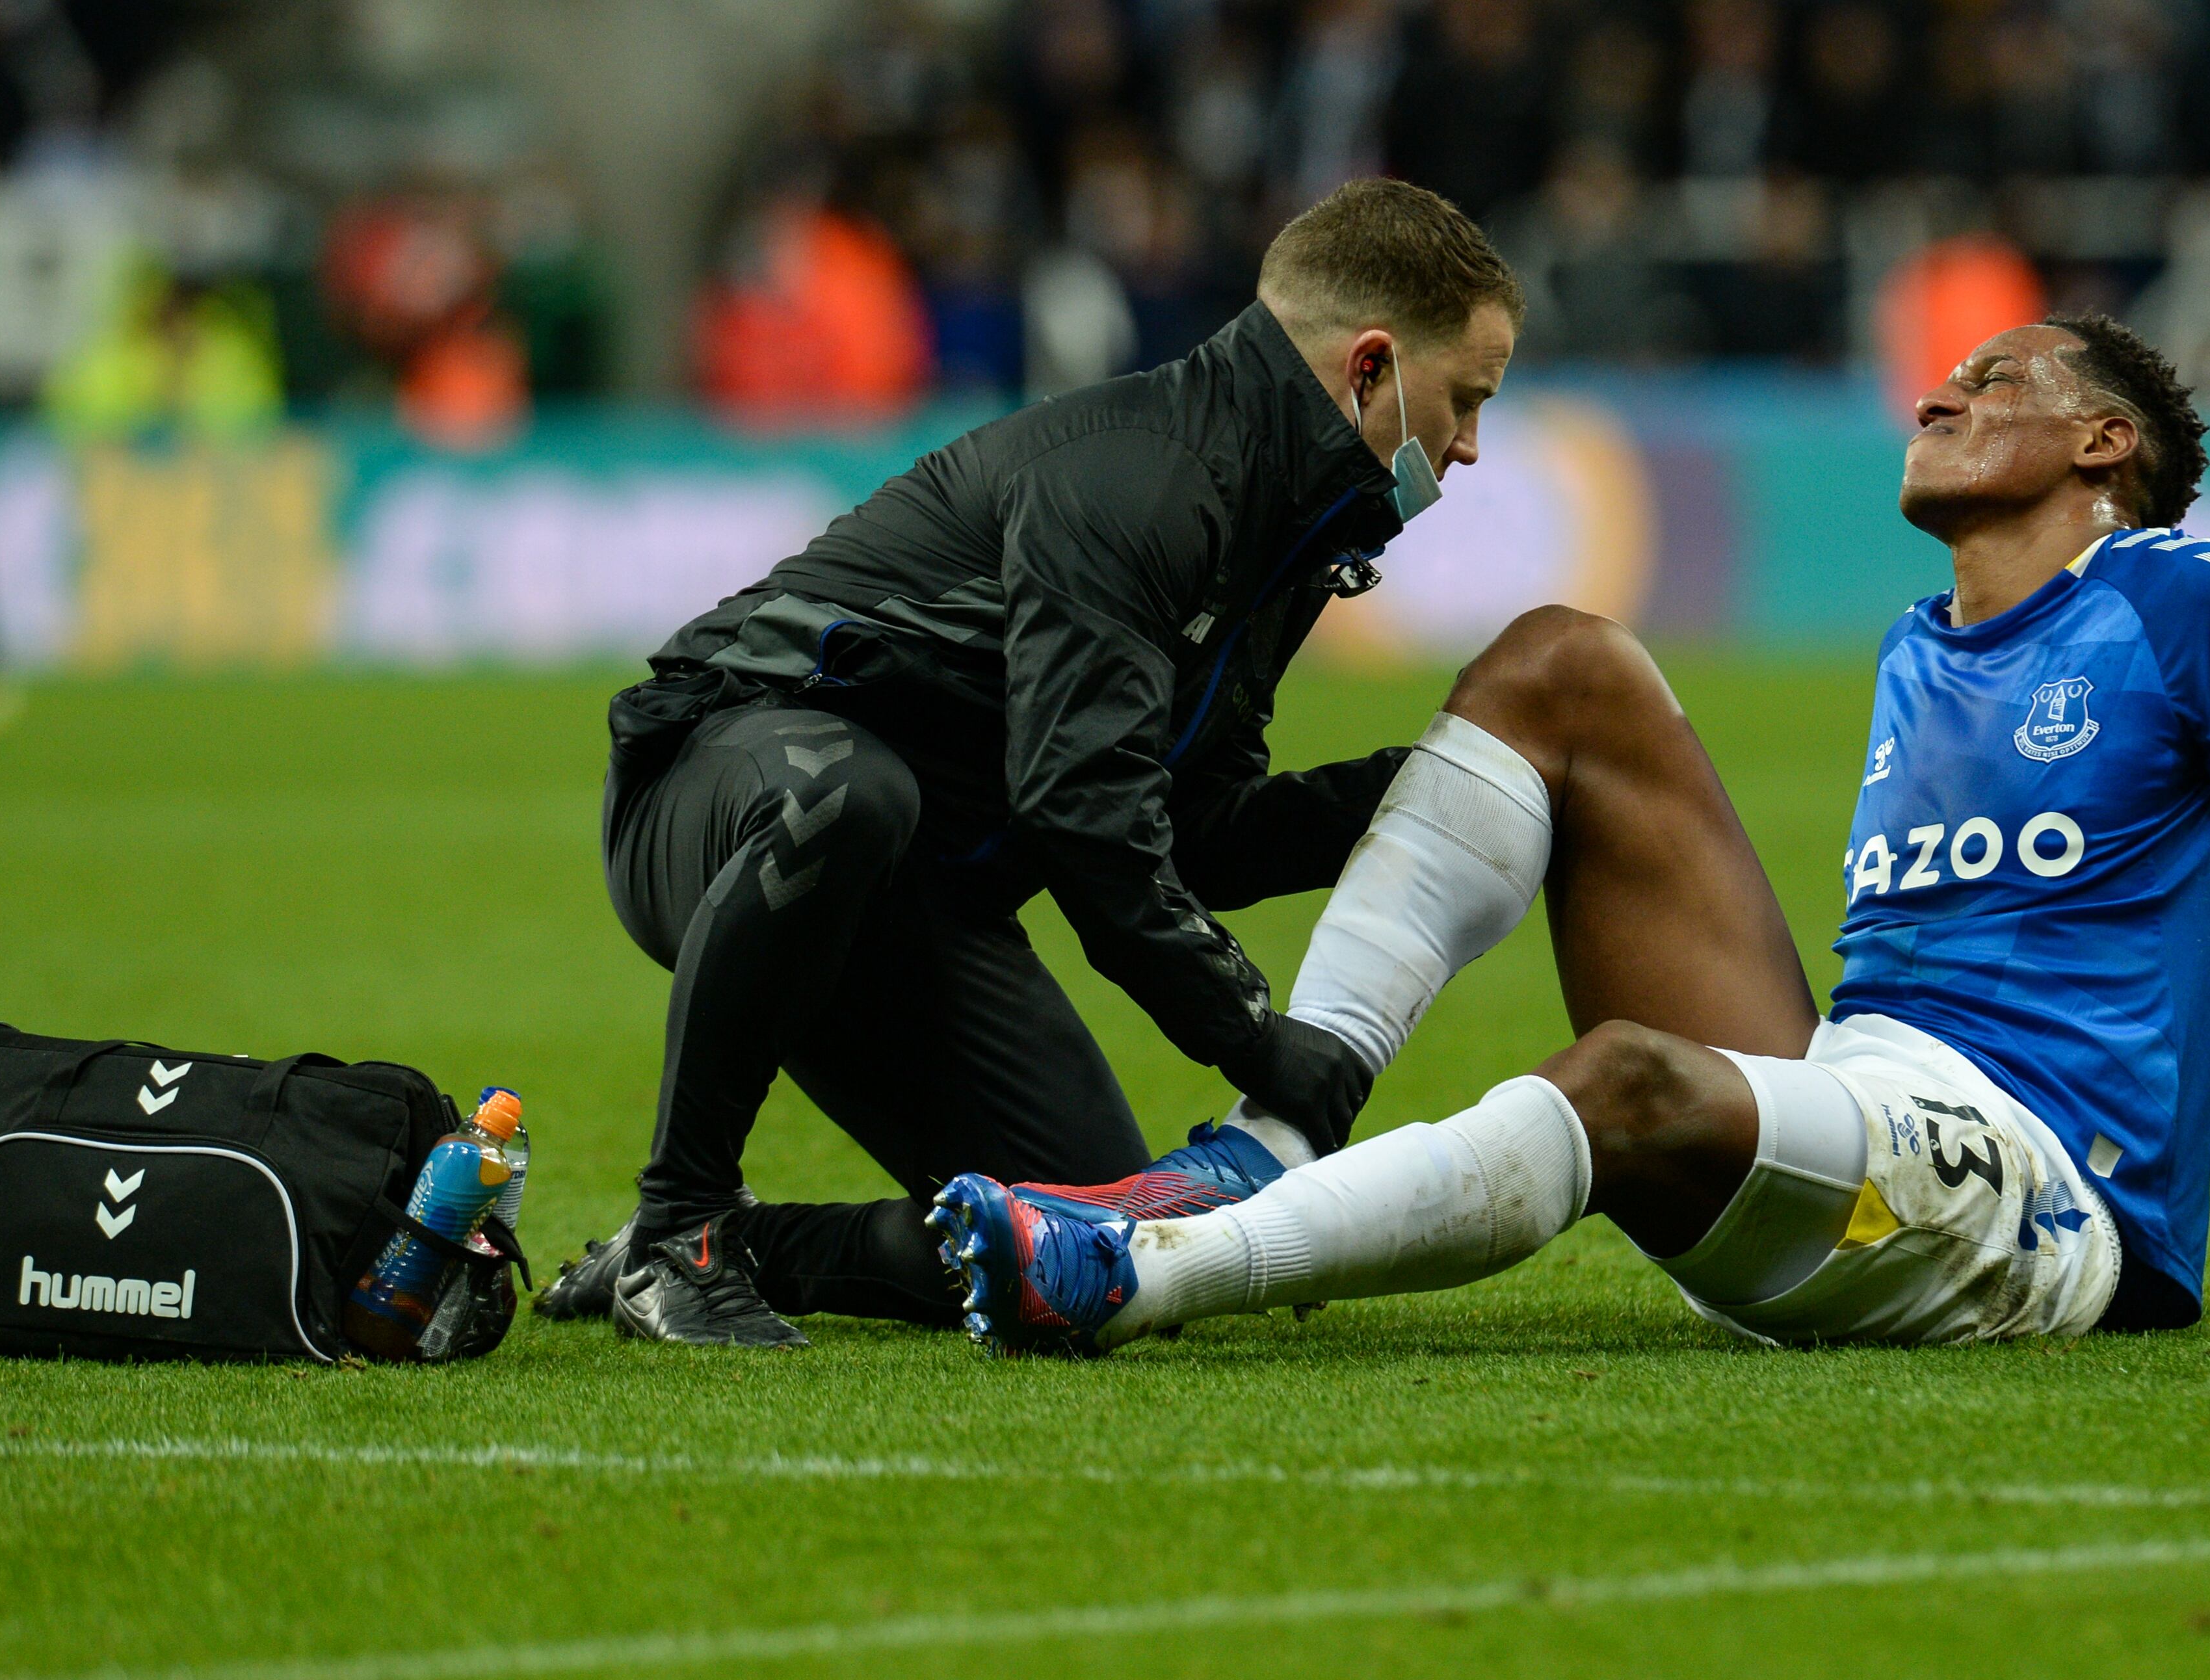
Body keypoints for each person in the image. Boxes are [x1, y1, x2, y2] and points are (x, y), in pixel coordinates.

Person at [935, 313, 2210, 1354]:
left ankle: (1152, 1273)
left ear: (2100, 444)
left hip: (2037, 1192)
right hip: (1842, 1112)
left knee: (1621, 1079)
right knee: (1560, 663)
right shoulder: (1920, 644)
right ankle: (1267, 1131)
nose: (1938, 392)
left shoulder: (2195, 600)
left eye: (1993, 379)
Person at [540, 177, 1522, 1346]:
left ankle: (750, 1250)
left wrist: (1430, 791)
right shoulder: (1142, 478)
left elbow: (1189, 831)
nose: (1467, 447)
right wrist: (1257, 1040)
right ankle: (680, 1224)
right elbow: (1083, 814)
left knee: (1097, 1252)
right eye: (1463, 401)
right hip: (713, 798)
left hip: (910, 895)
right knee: (849, 792)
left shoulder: (1285, 523)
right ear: (1369, 368)